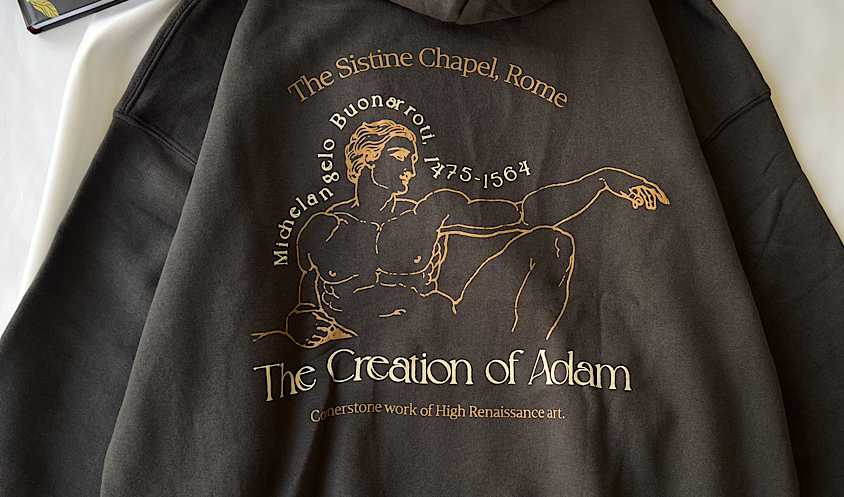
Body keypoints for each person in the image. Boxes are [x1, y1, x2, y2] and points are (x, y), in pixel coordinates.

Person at [253, 118, 669, 347]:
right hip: (380, 345)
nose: (411, 169)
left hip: (448, 329)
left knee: (552, 243)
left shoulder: (430, 210)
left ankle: (524, 365)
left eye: (414, 159)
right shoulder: (324, 228)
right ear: (366, 159)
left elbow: (525, 212)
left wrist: (602, 180)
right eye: (400, 157)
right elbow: (303, 299)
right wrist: (301, 321)